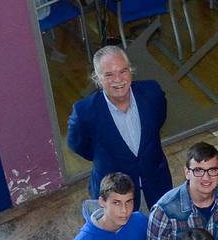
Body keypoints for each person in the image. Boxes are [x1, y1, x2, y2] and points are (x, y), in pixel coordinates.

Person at [66, 46, 171, 209]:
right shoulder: (84, 112)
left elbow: (158, 121)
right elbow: (77, 145)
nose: (118, 79)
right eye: (109, 74)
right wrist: (105, 155)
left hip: (156, 181)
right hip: (114, 192)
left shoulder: (152, 93)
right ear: (97, 78)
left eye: (123, 71)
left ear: (131, 71)